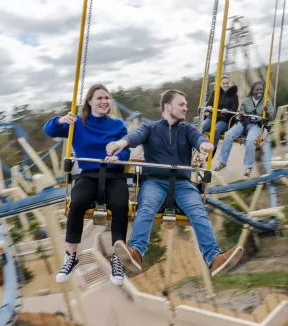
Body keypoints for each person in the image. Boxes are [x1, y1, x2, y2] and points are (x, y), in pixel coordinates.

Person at [106, 89, 244, 279]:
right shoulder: (150, 128)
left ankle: (215, 259)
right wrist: (120, 144)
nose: (186, 108)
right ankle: (136, 253)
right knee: (146, 209)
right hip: (154, 181)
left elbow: (198, 138)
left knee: (198, 211)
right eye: (182, 104)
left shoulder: (187, 129)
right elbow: (134, 136)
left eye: (186, 105)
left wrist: (204, 145)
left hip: (181, 183)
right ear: (167, 107)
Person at [44, 84, 131, 286]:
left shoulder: (118, 125)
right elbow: (50, 130)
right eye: (99, 98)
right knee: (77, 203)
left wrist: (118, 157)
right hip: (89, 174)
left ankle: (117, 259)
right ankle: (71, 256)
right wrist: (60, 120)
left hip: (114, 175)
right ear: (89, 102)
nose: (104, 102)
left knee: (120, 206)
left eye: (107, 98)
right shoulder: (78, 124)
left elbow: (126, 149)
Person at [213, 81, 275, 177]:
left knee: (250, 140)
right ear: (253, 90)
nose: (260, 91)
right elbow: (241, 111)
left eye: (261, 90)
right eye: (257, 90)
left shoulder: (267, 101)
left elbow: (271, 117)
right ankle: (222, 162)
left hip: (257, 125)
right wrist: (241, 114)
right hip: (244, 123)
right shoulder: (247, 101)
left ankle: (248, 166)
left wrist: (266, 113)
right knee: (229, 135)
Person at [201, 75, 239, 155]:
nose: (225, 85)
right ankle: (199, 145)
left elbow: (234, 110)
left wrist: (227, 110)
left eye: (227, 83)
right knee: (203, 126)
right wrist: (209, 107)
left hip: (224, 119)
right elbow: (209, 104)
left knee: (216, 130)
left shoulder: (234, 96)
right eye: (223, 83)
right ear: (220, 84)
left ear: (229, 83)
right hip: (213, 116)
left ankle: (212, 149)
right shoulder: (215, 93)